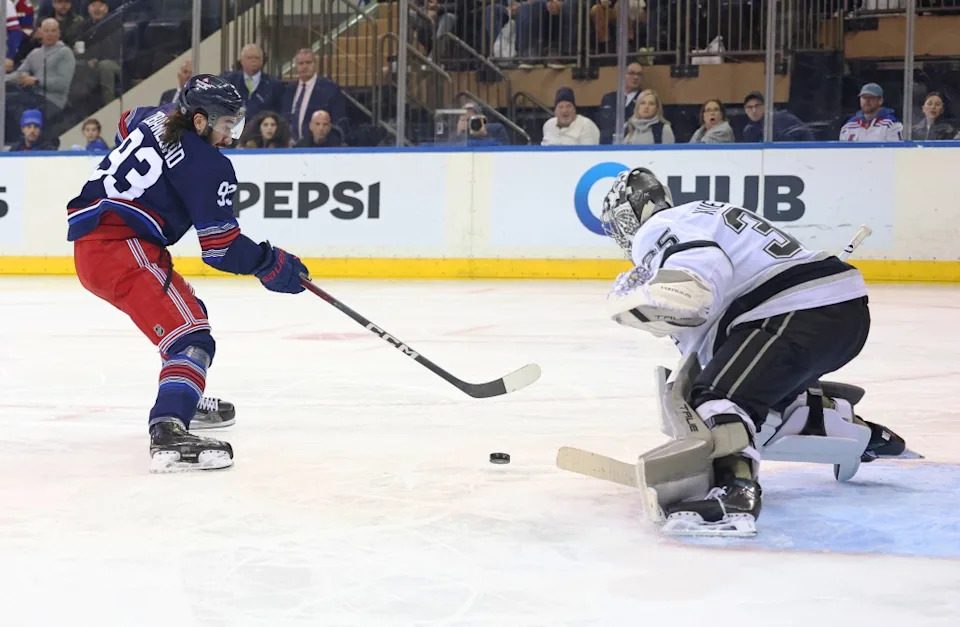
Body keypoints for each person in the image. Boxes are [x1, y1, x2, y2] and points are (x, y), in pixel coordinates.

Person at [598, 168, 917, 535]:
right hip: (837, 310)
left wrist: (646, 299)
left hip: (795, 310)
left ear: (628, 214)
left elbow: (698, 278)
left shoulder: (657, 228)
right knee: (761, 400)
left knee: (718, 398)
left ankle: (734, 496)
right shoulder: (700, 212)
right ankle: (860, 434)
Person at [66, 75, 310, 472]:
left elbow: (125, 122)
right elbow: (221, 248)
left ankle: (181, 395)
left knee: (187, 319)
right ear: (199, 120)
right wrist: (270, 262)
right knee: (191, 339)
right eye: (226, 124)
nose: (230, 136)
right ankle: (168, 429)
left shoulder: (156, 116)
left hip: (103, 243)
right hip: (120, 249)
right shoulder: (209, 165)